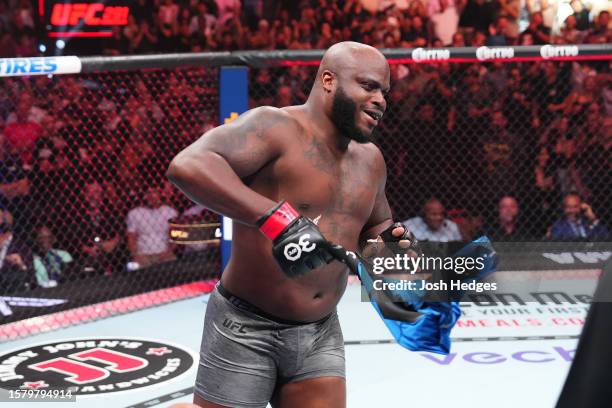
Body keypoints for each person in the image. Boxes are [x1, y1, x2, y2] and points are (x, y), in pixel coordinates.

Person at [167, 41, 414, 408]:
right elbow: (188, 166)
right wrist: (274, 219)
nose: (381, 100)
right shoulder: (274, 126)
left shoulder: (370, 159)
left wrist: (389, 245)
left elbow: (374, 227)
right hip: (245, 326)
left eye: (384, 91)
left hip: (320, 330)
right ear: (328, 80)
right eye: (368, 85)